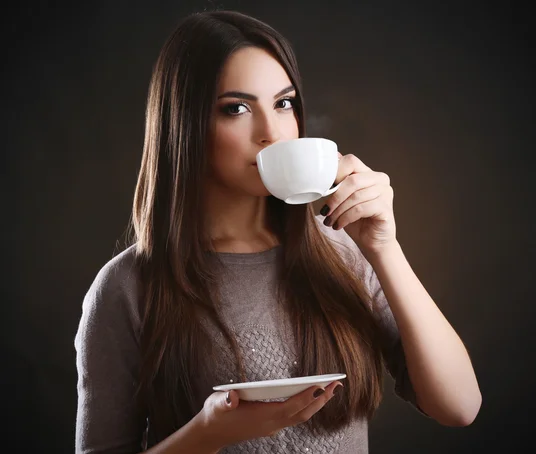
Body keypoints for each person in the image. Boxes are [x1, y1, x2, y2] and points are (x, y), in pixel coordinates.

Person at [74, 10, 481, 454]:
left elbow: (459, 407)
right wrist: (209, 432)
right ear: (185, 126)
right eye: (237, 108)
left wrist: (384, 249)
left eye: (284, 103)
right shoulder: (127, 288)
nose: (272, 132)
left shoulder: (344, 252)